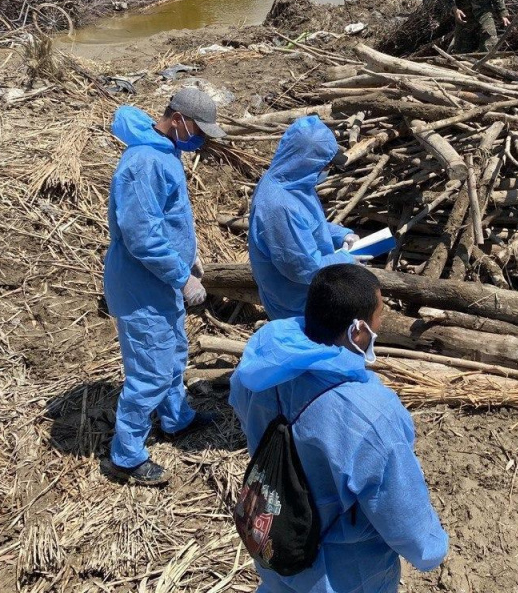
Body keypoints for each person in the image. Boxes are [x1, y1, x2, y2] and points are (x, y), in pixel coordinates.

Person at [229, 264, 449, 592]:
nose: (381, 322)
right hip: (342, 568)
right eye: (379, 314)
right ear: (358, 331)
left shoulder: (263, 361)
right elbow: (401, 511)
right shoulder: (370, 412)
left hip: (273, 533)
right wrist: (430, 551)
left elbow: (241, 409)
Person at [100, 88, 227, 485]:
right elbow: (141, 237)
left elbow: (168, 219)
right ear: (178, 119)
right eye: (199, 130)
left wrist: (190, 254)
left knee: (172, 353)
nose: (201, 139)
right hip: (142, 286)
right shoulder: (144, 162)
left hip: (160, 280)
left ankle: (176, 418)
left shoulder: (164, 150)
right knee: (150, 372)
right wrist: (181, 276)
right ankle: (126, 456)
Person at [248, 116, 357, 322]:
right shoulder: (280, 206)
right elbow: (305, 268)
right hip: (296, 307)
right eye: (326, 165)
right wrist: (346, 259)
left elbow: (309, 224)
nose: (327, 170)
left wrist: (341, 234)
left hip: (312, 295)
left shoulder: (295, 182)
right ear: (308, 162)